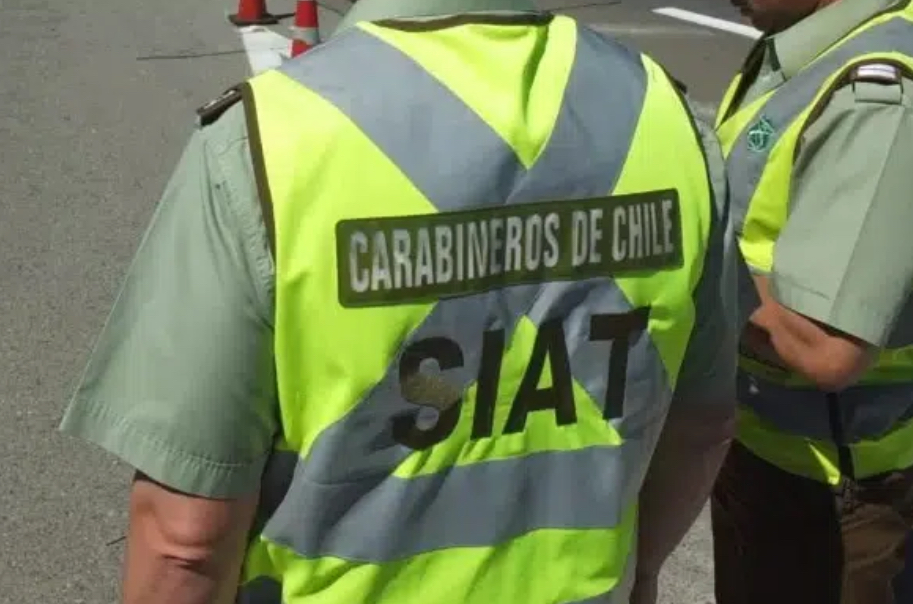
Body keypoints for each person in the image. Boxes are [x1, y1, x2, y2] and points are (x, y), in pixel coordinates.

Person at [58, 0, 739, 602]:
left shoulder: (271, 136)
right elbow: (702, 426)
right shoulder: (662, 116)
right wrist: (638, 576)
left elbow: (185, 542)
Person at [710, 0, 913, 601]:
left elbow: (827, 347)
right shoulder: (802, 47)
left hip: (836, 491)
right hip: (771, 452)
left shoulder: (875, 97)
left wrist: (687, 264)